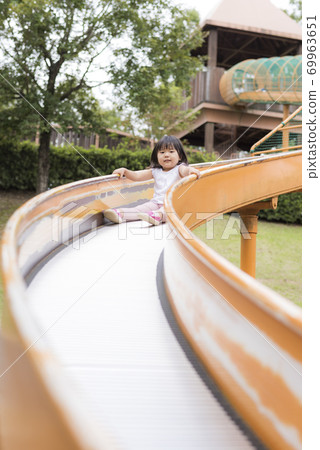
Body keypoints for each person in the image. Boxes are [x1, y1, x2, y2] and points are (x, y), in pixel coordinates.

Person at [103, 135, 200, 226]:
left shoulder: (179, 169)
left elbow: (185, 171)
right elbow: (137, 176)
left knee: (167, 211)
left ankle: (158, 216)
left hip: (173, 203)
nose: (166, 155)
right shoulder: (155, 171)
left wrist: (190, 170)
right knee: (139, 209)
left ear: (180, 156)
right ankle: (121, 214)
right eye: (162, 152)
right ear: (156, 156)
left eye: (171, 151)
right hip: (155, 203)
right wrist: (126, 171)